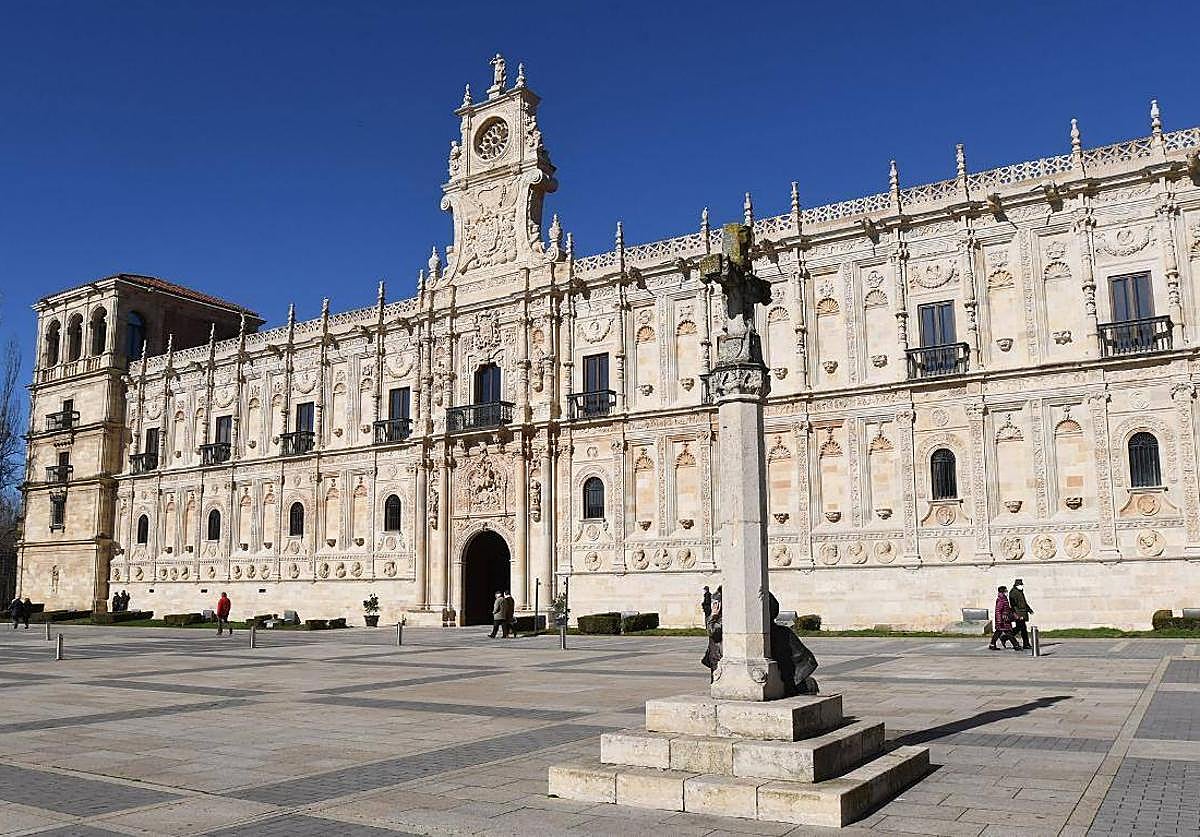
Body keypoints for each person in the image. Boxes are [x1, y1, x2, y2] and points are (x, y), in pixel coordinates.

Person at [990, 585, 1020, 651]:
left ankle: (992, 644)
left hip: (1005, 619)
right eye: (1006, 590)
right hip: (1003, 620)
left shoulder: (1004, 598)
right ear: (1003, 591)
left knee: (998, 632)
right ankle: (1016, 645)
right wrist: (999, 620)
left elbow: (1007, 609)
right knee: (1009, 632)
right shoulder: (1001, 599)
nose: (1007, 592)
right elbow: (998, 610)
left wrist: (1014, 615)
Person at [1009, 578, 1034, 650]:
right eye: (1020, 584)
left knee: (1021, 628)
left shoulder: (1020, 591)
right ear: (1016, 585)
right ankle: (1006, 637)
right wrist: (1018, 615)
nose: (1021, 586)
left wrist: (1029, 609)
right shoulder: (1013, 592)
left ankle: (1026, 644)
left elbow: (1024, 602)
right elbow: (1013, 605)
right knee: (1021, 628)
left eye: (1021, 584)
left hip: (1023, 612)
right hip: (1019, 614)